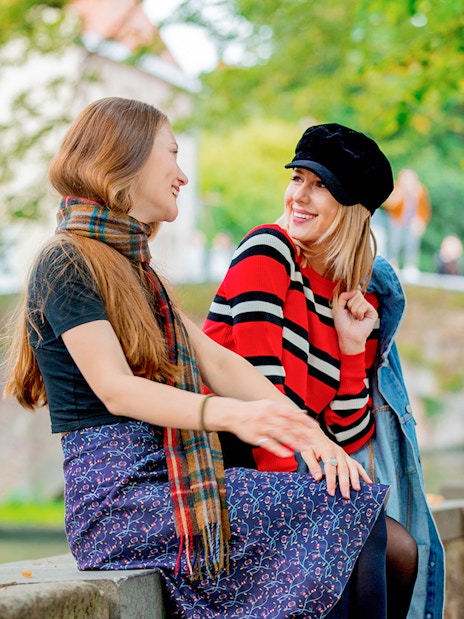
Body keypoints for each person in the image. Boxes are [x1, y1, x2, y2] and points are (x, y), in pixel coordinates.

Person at [2, 99, 390, 619]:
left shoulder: (137, 271)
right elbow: (116, 388)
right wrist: (237, 415)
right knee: (345, 521)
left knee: (356, 523)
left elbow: (220, 363)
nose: (183, 175)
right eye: (173, 154)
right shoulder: (67, 259)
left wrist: (308, 435)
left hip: (168, 477)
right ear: (128, 158)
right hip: (120, 501)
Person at [203, 123, 445, 619]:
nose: (300, 196)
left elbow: (350, 433)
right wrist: (305, 508)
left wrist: (352, 347)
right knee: (358, 532)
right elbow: (261, 394)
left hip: (291, 465)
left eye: (321, 186)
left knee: (403, 551)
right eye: (297, 178)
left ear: (355, 209)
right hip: (228, 461)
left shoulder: (358, 297)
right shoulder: (267, 252)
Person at [383, 168, 431, 275]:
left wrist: (421, 221)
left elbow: (425, 208)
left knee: (412, 242)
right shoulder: (396, 188)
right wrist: (399, 194)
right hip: (397, 221)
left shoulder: (420, 190)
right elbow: (388, 206)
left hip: (413, 222)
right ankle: (392, 264)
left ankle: (410, 266)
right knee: (394, 242)